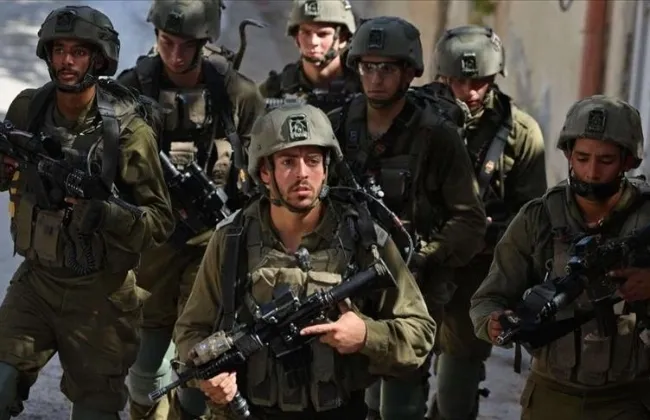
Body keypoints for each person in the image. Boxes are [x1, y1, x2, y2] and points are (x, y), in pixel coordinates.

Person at [174, 103, 436, 420]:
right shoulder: (232, 239)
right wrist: (209, 376)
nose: (302, 174)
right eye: (288, 162)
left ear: (326, 168)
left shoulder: (364, 239)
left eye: (312, 161)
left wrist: (367, 335)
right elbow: (191, 329)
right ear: (265, 172)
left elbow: (420, 333)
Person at [0, 5, 174, 420]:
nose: (66, 61)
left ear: (99, 59)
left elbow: (160, 222)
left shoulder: (129, 133)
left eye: (78, 52)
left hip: (101, 294)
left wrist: (106, 214)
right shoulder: (28, 108)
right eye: (59, 50)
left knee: (95, 411)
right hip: (37, 282)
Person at [327, 16, 487, 420]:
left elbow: (469, 220)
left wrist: (422, 257)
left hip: (413, 288)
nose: (375, 79)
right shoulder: (337, 125)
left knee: (399, 403)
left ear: (409, 72)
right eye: (368, 67)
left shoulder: (437, 135)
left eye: (387, 68)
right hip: (349, 283)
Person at [116, 0, 265, 418]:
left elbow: (265, 172)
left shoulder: (237, 94)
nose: (176, 55)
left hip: (214, 248)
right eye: (167, 42)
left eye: (187, 45)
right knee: (145, 377)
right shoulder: (133, 88)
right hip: (152, 248)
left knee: (199, 376)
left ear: (205, 43)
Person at [470, 95, 650, 420]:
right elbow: (488, 298)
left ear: (628, 161)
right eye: (582, 158)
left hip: (632, 397)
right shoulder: (538, 219)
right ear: (568, 154)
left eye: (606, 160)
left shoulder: (645, 216)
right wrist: (493, 323)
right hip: (552, 397)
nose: (592, 172)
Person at [424, 25, 547, 420]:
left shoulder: (521, 134)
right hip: (417, 267)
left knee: (455, 393)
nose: (470, 92)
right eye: (459, 81)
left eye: (479, 81)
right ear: (442, 77)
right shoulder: (414, 120)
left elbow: (531, 217)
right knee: (392, 393)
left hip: (477, 272)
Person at [259, 0, 361, 113]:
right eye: (306, 33)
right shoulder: (275, 89)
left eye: (322, 34)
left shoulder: (366, 84)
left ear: (342, 38)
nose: (313, 41)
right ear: (296, 37)